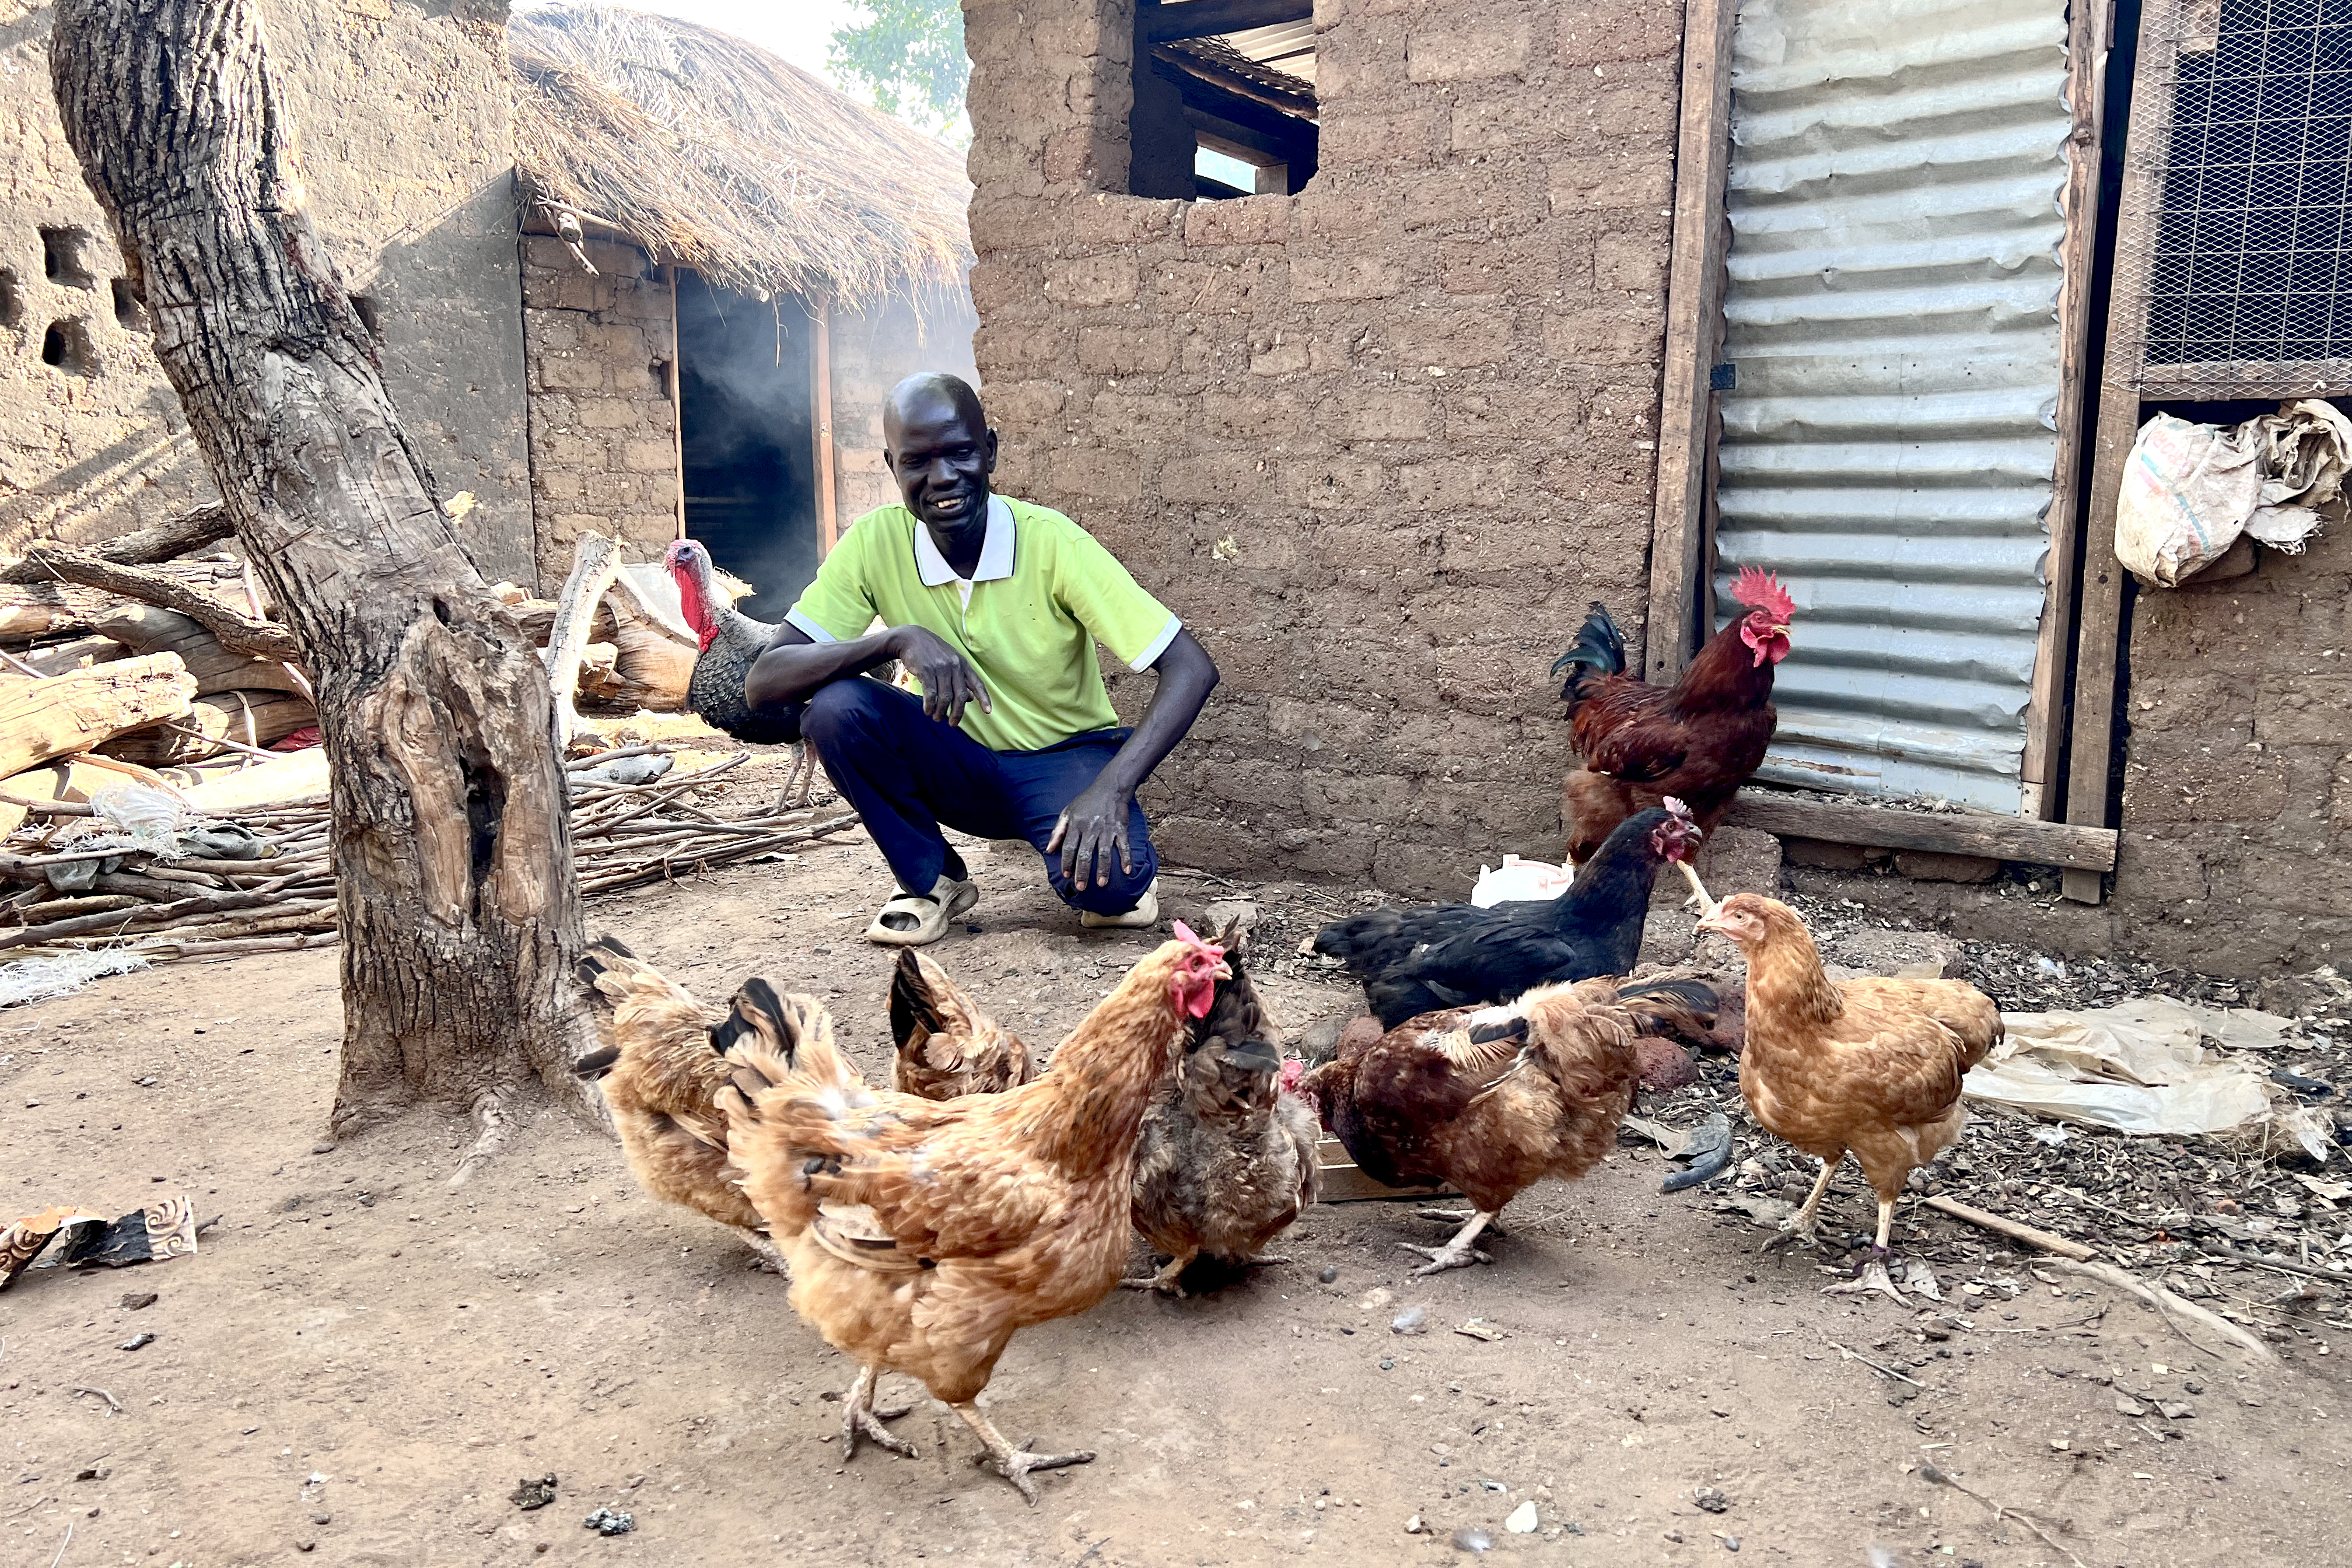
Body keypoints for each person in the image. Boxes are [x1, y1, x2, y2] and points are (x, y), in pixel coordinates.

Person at [744, 373, 1219, 947]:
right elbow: (765, 682)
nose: (942, 478)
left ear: (989, 451)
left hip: (1061, 762)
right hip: (957, 761)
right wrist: (894, 640)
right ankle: (932, 879)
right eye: (918, 461)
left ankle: (1109, 861)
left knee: (1111, 891)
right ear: (892, 465)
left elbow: (1191, 667)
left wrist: (1112, 789)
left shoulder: (1051, 544)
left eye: (961, 453)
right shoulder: (874, 544)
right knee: (836, 708)